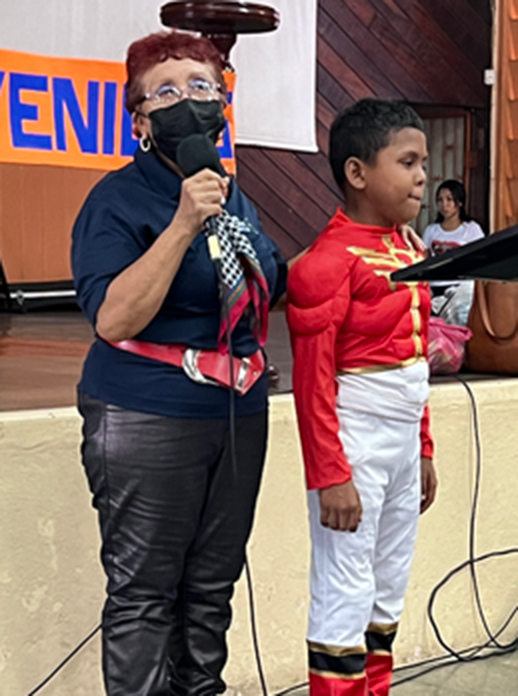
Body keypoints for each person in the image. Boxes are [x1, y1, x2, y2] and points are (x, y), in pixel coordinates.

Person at [71, 30, 287, 696]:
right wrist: (182, 225)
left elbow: (269, 284)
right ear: (139, 121)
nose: (187, 99)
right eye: (164, 91)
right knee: (145, 594)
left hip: (235, 412)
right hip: (146, 414)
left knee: (211, 589)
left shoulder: (233, 197)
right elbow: (113, 318)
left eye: (202, 86)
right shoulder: (119, 200)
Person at [287, 98, 438, 696]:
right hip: (353, 440)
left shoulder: (409, 249)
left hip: (400, 443)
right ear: (358, 173)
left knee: (387, 583)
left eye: (423, 162)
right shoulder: (326, 263)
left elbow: (416, 359)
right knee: (344, 587)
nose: (423, 176)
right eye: (407, 162)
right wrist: (331, 473)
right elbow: (312, 382)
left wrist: (422, 446)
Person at [422, 179, 485, 325]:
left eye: (449, 199)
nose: (444, 205)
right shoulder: (431, 230)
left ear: (460, 202)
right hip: (434, 286)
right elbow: (424, 259)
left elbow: (480, 258)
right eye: (440, 200)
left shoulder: (471, 229)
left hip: (461, 287)